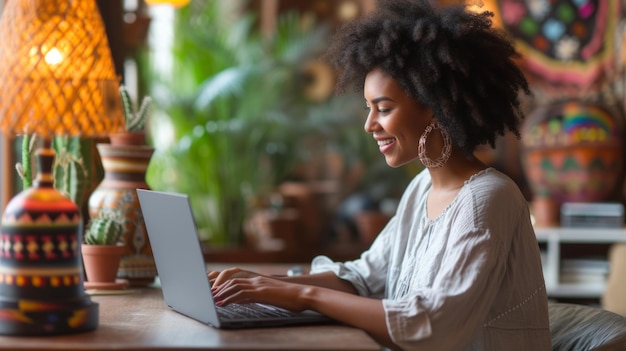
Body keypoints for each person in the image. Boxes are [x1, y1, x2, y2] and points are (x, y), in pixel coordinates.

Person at [208, 0, 552, 350]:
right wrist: (264, 281)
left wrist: (303, 294)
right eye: (369, 108)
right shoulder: (422, 190)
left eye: (383, 109)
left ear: (436, 107)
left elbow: (432, 325)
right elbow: (364, 277)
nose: (370, 125)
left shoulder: (487, 199)